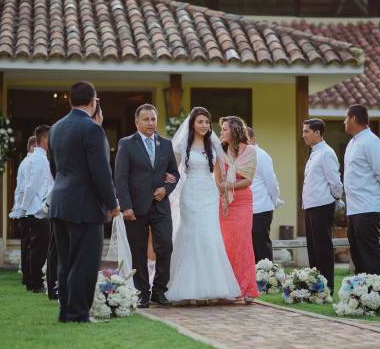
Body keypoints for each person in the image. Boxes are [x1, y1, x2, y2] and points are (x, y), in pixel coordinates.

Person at [49, 81, 119, 323]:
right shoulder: (92, 130)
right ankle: (79, 314)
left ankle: (66, 312)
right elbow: (101, 171)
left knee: (66, 261)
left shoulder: (56, 128)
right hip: (85, 206)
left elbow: (55, 167)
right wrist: (112, 203)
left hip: (60, 202)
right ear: (93, 101)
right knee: (85, 263)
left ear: (70, 101)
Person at [165, 107, 240, 302]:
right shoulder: (182, 145)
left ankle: (213, 287)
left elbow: (219, 174)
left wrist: (223, 197)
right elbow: (173, 171)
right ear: (192, 124)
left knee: (209, 235)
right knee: (192, 234)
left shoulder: (214, 145)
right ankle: (188, 288)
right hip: (190, 193)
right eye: (200, 122)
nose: (205, 126)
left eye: (207, 122)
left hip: (209, 194)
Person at [114, 104, 180, 308]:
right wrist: (126, 207)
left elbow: (174, 174)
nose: (151, 123)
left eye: (153, 119)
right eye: (146, 120)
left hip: (160, 206)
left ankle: (159, 290)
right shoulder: (126, 144)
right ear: (137, 122)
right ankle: (143, 292)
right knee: (138, 251)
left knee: (165, 246)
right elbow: (120, 177)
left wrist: (166, 189)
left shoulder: (166, 144)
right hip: (135, 207)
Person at [343, 105, 380, 275]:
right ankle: (360, 295)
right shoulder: (352, 142)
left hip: (368, 208)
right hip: (354, 209)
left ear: (353, 119)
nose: (344, 122)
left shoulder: (372, 142)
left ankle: (377, 295)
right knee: (357, 256)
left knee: (370, 255)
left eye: (345, 118)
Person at [217, 116, 258, 302]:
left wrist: (228, 185)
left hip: (242, 202)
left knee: (242, 243)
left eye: (224, 129)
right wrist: (223, 187)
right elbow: (217, 178)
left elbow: (248, 180)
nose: (221, 132)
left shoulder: (249, 151)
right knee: (226, 245)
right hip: (223, 201)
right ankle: (228, 288)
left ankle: (246, 289)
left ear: (234, 130)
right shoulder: (219, 151)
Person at [302, 119, 343, 294]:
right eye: (303, 131)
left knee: (323, 249)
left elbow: (335, 181)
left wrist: (336, 197)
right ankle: (315, 285)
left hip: (322, 205)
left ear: (317, 133)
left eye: (306, 131)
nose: (303, 135)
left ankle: (327, 287)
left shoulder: (326, 153)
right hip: (311, 205)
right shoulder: (314, 152)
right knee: (313, 248)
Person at [21, 125, 53, 293]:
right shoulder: (40, 159)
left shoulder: (38, 158)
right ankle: (35, 283)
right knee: (39, 248)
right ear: (45, 139)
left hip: (36, 209)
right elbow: (32, 186)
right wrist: (25, 207)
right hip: (38, 210)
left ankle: (32, 281)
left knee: (36, 247)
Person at [246, 127, 283, 263]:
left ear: (253, 139)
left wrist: (274, 201)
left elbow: (272, 183)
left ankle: (266, 277)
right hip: (246, 208)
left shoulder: (262, 156)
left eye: (245, 138)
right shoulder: (242, 156)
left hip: (261, 207)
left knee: (261, 243)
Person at [9, 135, 36, 288]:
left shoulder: (24, 163)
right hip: (28, 209)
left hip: (24, 208)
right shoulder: (30, 163)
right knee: (30, 245)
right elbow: (26, 188)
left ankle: (28, 276)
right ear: (32, 147)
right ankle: (30, 277)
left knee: (27, 244)